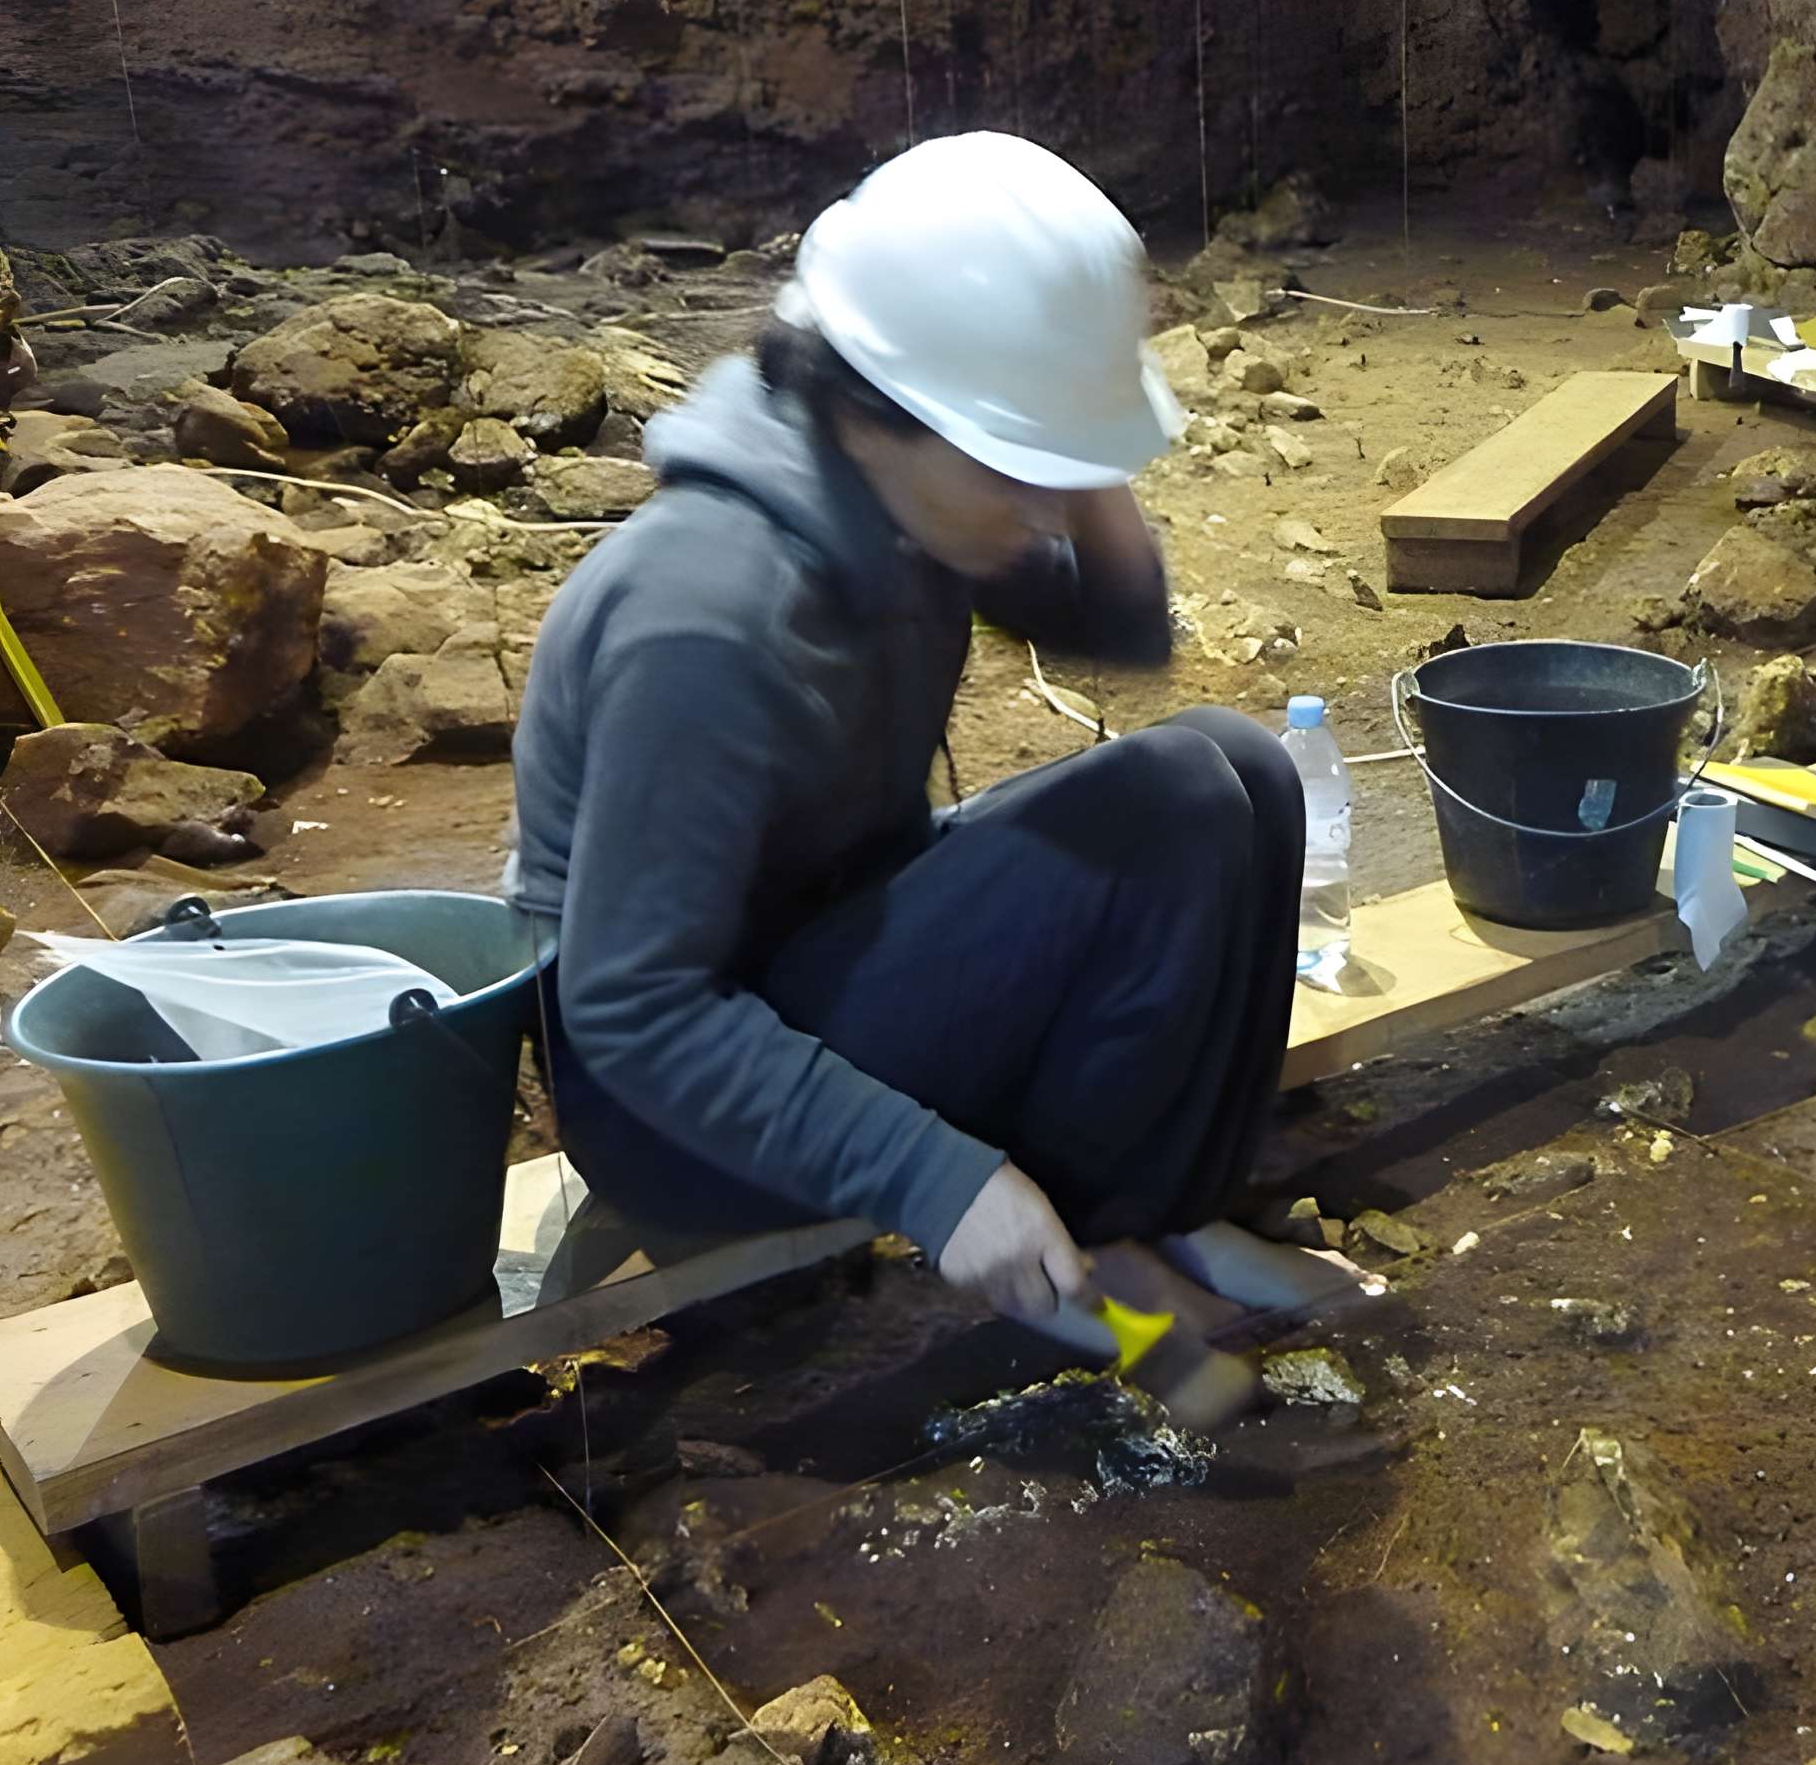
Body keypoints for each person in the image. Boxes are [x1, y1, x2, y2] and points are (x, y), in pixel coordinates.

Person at [506, 131, 1348, 1361]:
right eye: (1014, 468)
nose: (1040, 512)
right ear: (872, 414)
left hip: (828, 955)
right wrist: (935, 1179)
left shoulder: (898, 498)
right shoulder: (706, 615)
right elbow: (635, 1008)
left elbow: (1113, 618)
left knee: (1242, 769)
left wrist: (1077, 441)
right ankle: (1091, 1251)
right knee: (1170, 797)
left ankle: (1158, 1222)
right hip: (676, 1113)